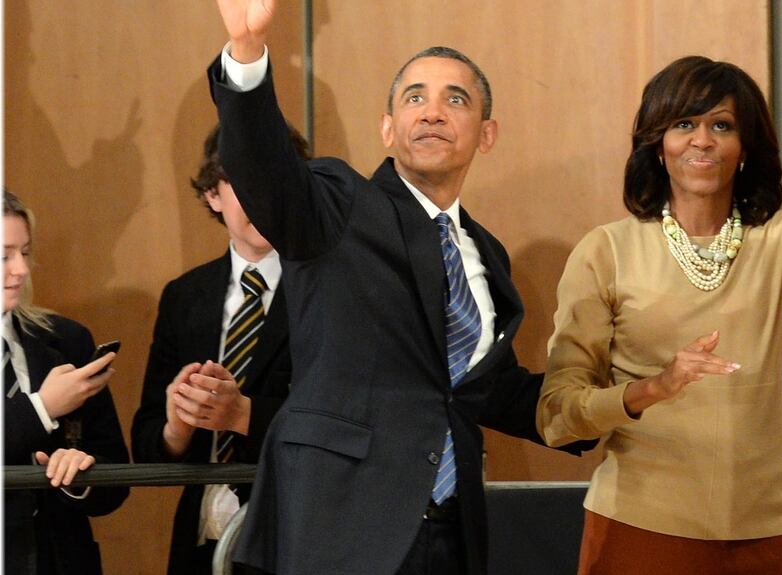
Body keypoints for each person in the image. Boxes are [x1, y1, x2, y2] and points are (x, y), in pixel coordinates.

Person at [205, 2, 593, 574]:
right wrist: (245, 51)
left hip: (452, 529)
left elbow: (485, 392)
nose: (433, 112)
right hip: (338, 525)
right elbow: (264, 169)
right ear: (388, 128)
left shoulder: (484, 253)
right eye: (414, 97)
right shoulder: (336, 203)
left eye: (454, 99)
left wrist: (619, 401)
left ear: (487, 134)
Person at [537, 1, 782, 573]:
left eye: (721, 125)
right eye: (684, 124)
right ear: (658, 142)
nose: (701, 140)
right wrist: (653, 389)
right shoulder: (607, 251)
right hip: (640, 525)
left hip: (771, 530)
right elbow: (558, 414)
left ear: (744, 149)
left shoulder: (780, 241)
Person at [130, 124, 309, 575]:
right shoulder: (185, 295)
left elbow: (343, 416)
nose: (265, 198)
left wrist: (243, 414)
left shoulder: (328, 289)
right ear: (214, 195)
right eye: (247, 182)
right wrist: (178, 426)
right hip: (201, 535)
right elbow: (149, 441)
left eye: (279, 182)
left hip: (298, 533)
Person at [3, 189, 130, 575]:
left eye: (25, 252)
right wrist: (42, 409)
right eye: (4, 255)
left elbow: (115, 478)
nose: (21, 269)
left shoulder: (68, 339)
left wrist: (79, 473)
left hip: (59, 559)